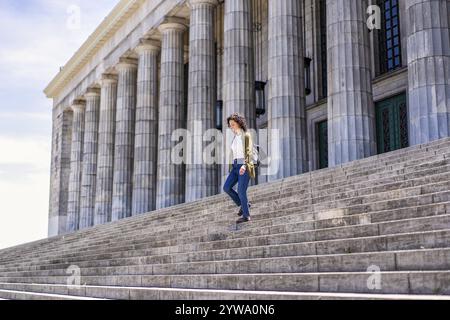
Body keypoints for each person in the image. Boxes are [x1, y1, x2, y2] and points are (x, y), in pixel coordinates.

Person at [223, 113, 256, 224]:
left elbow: (250, 152)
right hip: (235, 167)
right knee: (226, 187)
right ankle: (244, 204)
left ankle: (246, 216)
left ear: (239, 123)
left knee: (241, 191)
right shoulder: (235, 138)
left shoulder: (246, 135)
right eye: (230, 125)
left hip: (244, 165)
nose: (231, 127)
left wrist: (245, 165)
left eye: (233, 124)